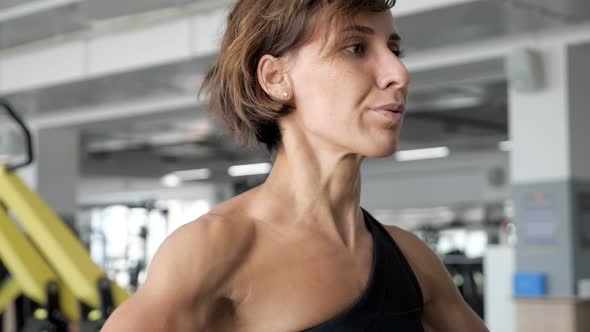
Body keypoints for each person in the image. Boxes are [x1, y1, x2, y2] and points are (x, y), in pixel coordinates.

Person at [102, 0, 489, 331]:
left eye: (394, 50)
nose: (399, 74)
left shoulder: (412, 260)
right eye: (355, 47)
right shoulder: (214, 251)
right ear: (276, 77)